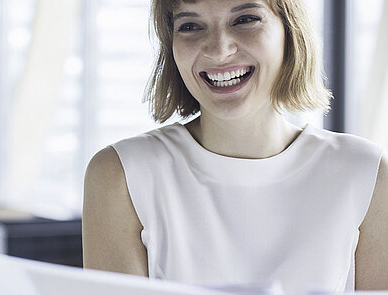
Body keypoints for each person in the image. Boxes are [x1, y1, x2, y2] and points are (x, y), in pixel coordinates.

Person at [82, 0, 388, 294]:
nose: (219, 49)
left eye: (245, 20)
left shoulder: (367, 174)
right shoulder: (121, 174)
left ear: (290, 31)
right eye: (190, 25)